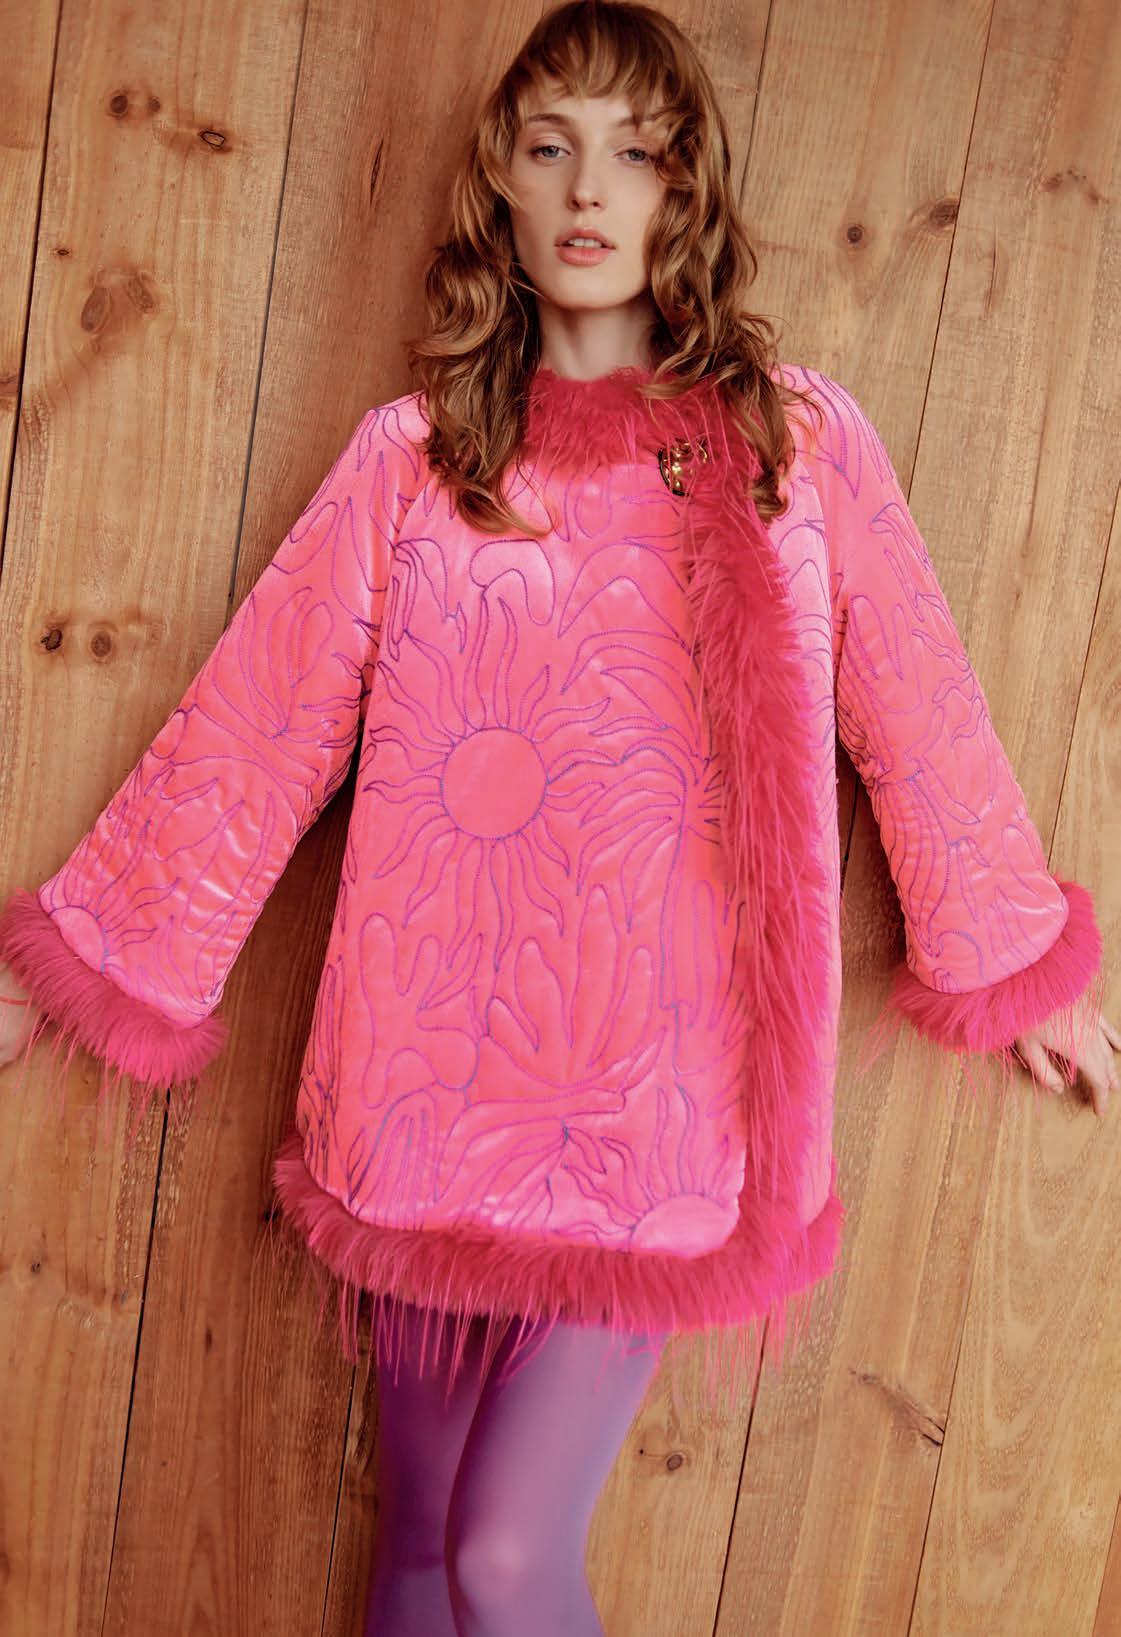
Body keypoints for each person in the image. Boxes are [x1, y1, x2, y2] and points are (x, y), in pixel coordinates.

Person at [1, 4, 1116, 1634]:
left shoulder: (791, 447)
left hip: (665, 1100)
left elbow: (918, 702)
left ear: (685, 192)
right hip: (430, 1070)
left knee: (508, 1558)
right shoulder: (418, 462)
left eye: (635, 152)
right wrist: (83, 960)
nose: (590, 189)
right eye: (551, 147)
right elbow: (257, 719)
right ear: (503, 192)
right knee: (416, 1540)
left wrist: (1012, 957)